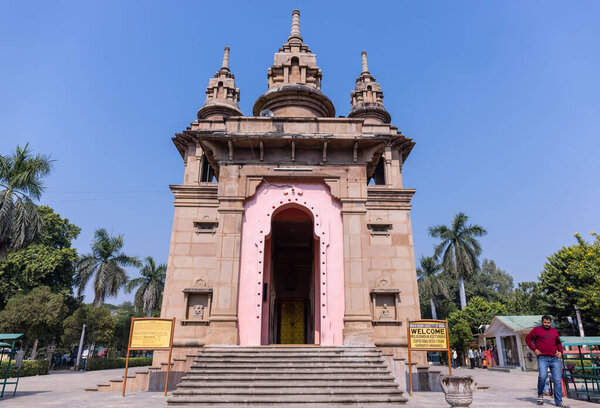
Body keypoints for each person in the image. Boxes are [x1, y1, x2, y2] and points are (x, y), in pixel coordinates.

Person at [525, 315, 569, 407]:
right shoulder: (536, 330)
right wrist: (534, 349)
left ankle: (559, 402)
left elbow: (558, 343)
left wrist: (560, 352)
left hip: (554, 359)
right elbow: (527, 339)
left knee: (557, 380)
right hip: (542, 358)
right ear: (542, 322)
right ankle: (540, 395)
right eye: (545, 322)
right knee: (542, 376)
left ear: (550, 323)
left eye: (548, 323)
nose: (547, 324)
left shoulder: (554, 331)